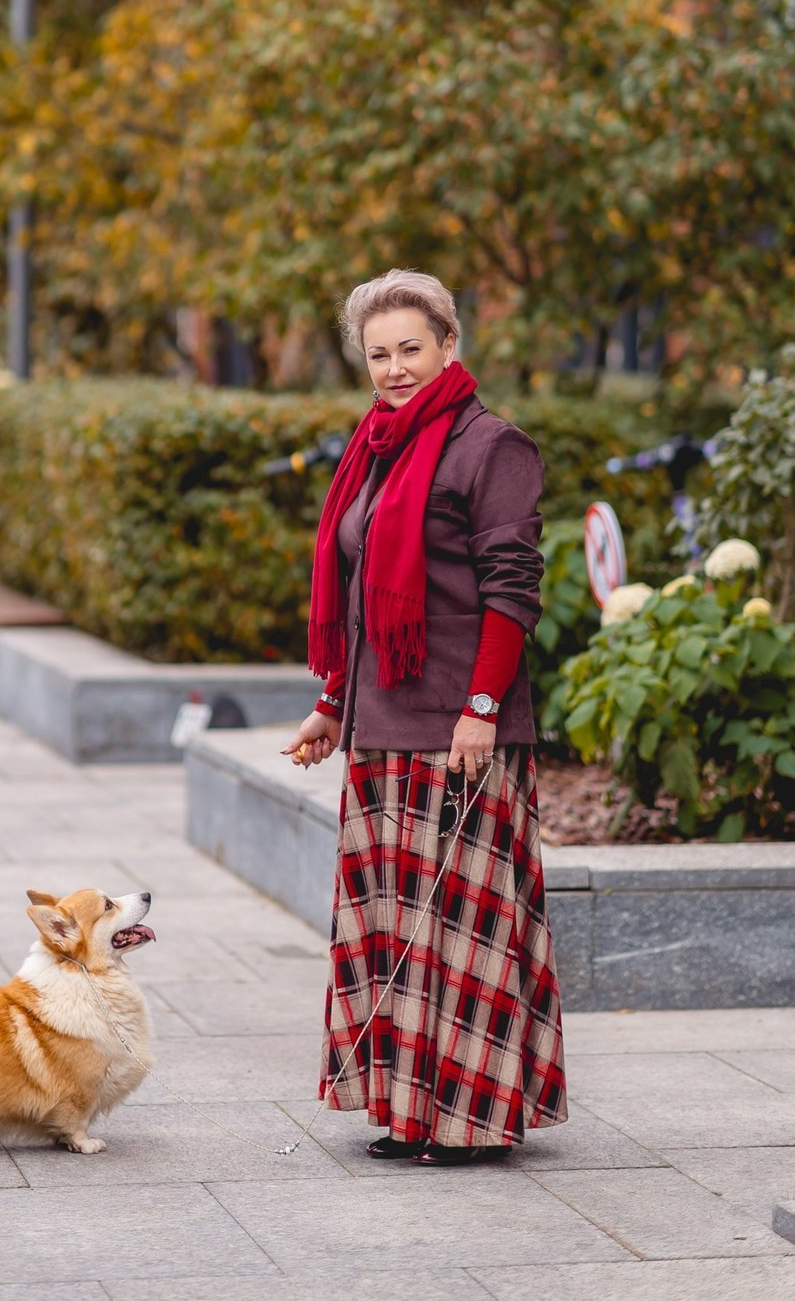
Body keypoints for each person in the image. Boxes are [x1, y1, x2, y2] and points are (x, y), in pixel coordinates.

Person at [282, 269, 567, 1165]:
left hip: (460, 733)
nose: (395, 367)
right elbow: (365, 591)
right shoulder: (375, 445)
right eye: (379, 354)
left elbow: (513, 593)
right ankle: (411, 1112)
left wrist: (481, 709)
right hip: (382, 730)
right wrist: (334, 704)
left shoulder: (494, 447)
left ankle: (472, 1119)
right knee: (399, 930)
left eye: (411, 348)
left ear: (450, 346)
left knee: (464, 933)